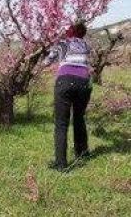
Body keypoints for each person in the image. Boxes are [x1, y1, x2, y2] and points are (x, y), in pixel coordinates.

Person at [43, 20, 92, 171]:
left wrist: (47, 58)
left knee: (61, 123)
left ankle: (61, 164)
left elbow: (47, 61)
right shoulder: (86, 45)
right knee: (79, 117)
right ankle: (82, 152)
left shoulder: (62, 43)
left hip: (65, 81)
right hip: (84, 82)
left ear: (69, 32)